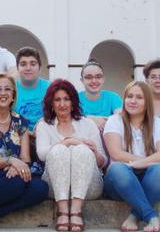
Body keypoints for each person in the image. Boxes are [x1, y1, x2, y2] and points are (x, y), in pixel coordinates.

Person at [0, 72, 48, 230]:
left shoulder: (21, 122)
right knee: (18, 181)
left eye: (7, 89)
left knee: (40, 188)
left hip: (14, 173)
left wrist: (17, 167)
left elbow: (25, 158)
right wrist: (11, 161)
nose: (3, 93)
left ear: (13, 95)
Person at [35, 79, 106, 232]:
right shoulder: (44, 126)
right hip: (55, 188)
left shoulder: (88, 124)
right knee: (60, 150)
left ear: (73, 102)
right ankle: (62, 211)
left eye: (67, 99)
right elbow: (41, 154)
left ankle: (76, 211)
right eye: (57, 99)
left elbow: (103, 162)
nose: (62, 104)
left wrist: (94, 152)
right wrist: (69, 141)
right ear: (51, 104)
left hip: (89, 188)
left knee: (82, 150)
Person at [103, 81, 160, 232]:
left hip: (150, 179)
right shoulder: (114, 120)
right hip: (121, 182)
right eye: (129, 96)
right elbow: (116, 153)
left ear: (147, 101)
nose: (133, 101)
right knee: (117, 169)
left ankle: (134, 216)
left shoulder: (159, 124)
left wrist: (140, 164)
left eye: (139, 97)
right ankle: (150, 215)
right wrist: (144, 161)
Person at [77, 59, 123, 129]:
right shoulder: (75, 98)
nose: (94, 81)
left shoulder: (113, 97)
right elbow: (69, 119)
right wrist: (91, 119)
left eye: (98, 77)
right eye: (88, 77)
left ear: (103, 79)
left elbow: (120, 118)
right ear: (82, 80)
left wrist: (83, 119)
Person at [13, 47, 51, 133]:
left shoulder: (51, 88)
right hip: (18, 135)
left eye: (33, 64)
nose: (28, 68)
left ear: (39, 67)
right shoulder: (10, 89)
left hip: (46, 134)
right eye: (23, 64)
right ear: (17, 68)